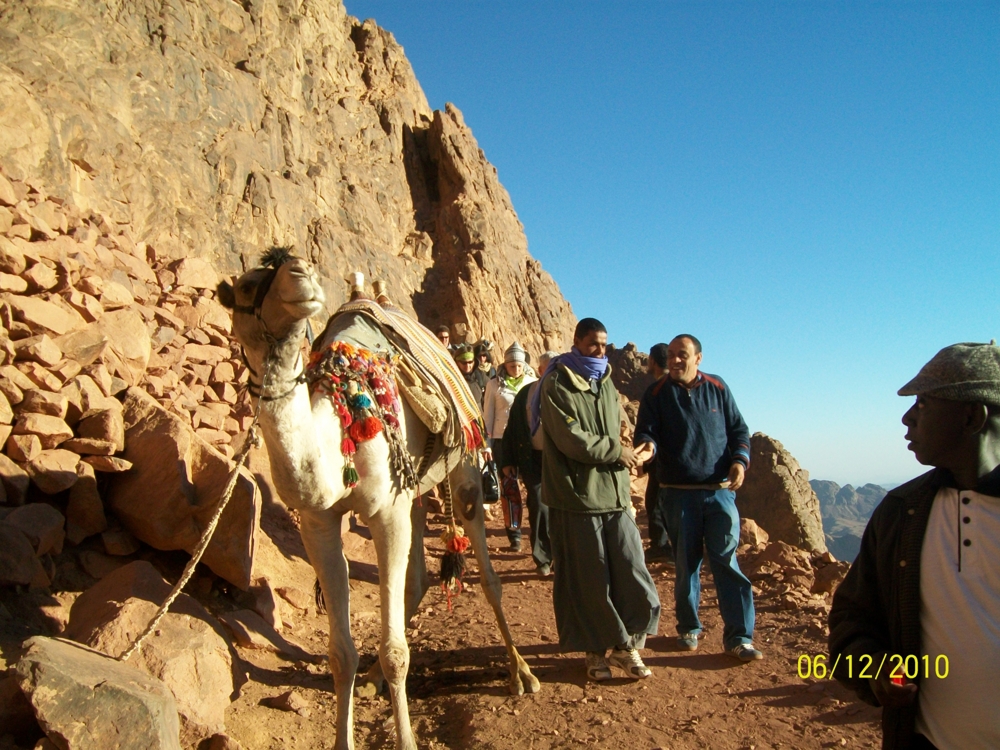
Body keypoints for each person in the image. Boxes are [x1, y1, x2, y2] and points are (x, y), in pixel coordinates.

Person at [829, 341, 1000, 750]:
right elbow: (852, 617)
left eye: (923, 404)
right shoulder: (901, 513)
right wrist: (873, 670)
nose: (907, 419)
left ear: (972, 417)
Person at [536, 318, 660, 681]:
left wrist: (637, 451)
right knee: (589, 577)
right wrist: (615, 452)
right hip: (577, 495)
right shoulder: (557, 382)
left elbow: (617, 430)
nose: (601, 351)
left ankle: (626, 646)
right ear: (576, 342)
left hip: (615, 492)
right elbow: (568, 436)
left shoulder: (606, 382)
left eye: (605, 345)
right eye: (593, 344)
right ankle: (595, 652)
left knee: (631, 568)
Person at [633, 334, 760, 662]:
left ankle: (740, 637)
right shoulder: (657, 393)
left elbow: (738, 431)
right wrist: (648, 448)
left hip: (720, 495)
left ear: (698, 358)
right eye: (671, 354)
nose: (675, 360)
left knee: (727, 562)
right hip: (678, 496)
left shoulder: (717, 388)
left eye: (682, 355)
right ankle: (688, 627)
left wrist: (739, 461)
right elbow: (646, 432)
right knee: (687, 565)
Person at [501, 351, 556, 576]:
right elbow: (512, 429)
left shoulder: (568, 393)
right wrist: (508, 460)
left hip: (560, 461)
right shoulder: (526, 394)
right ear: (541, 370)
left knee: (562, 509)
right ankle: (543, 558)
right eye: (550, 367)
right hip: (532, 459)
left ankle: (564, 557)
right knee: (539, 506)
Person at [483, 342, 537, 550]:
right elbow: (487, 417)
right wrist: (487, 445)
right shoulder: (494, 385)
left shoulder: (533, 383)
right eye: (512, 365)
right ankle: (514, 533)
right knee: (509, 490)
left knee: (534, 489)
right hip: (502, 441)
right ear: (505, 364)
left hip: (528, 441)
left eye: (519, 366)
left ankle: (536, 532)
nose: (516, 369)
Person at [641, 343, 674, 563]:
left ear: (653, 361)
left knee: (656, 502)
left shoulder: (657, 391)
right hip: (676, 458)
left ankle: (661, 546)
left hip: (662, 458)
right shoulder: (680, 387)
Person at [453, 343, 488, 407]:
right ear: (457, 362)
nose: (467, 366)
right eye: (464, 363)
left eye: (470, 362)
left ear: (474, 361)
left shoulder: (480, 376)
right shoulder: (453, 379)